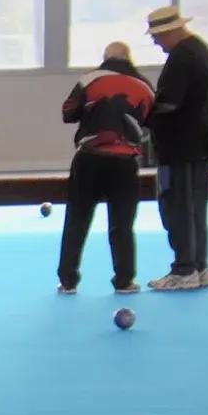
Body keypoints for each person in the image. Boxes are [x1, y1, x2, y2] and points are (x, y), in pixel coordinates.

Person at [57, 42, 154, 295]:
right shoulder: (144, 84)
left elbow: (68, 113)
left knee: (77, 219)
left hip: (90, 157)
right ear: (129, 57)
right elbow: (152, 122)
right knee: (122, 224)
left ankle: (68, 281)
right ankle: (124, 280)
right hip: (124, 163)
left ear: (104, 58)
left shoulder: (90, 79)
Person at [145, 6, 208, 291]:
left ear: (171, 31)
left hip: (178, 147)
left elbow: (168, 104)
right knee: (196, 208)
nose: (155, 42)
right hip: (200, 145)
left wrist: (142, 117)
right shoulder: (200, 50)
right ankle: (200, 266)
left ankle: (184, 268)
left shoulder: (182, 57)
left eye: (157, 36)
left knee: (176, 206)